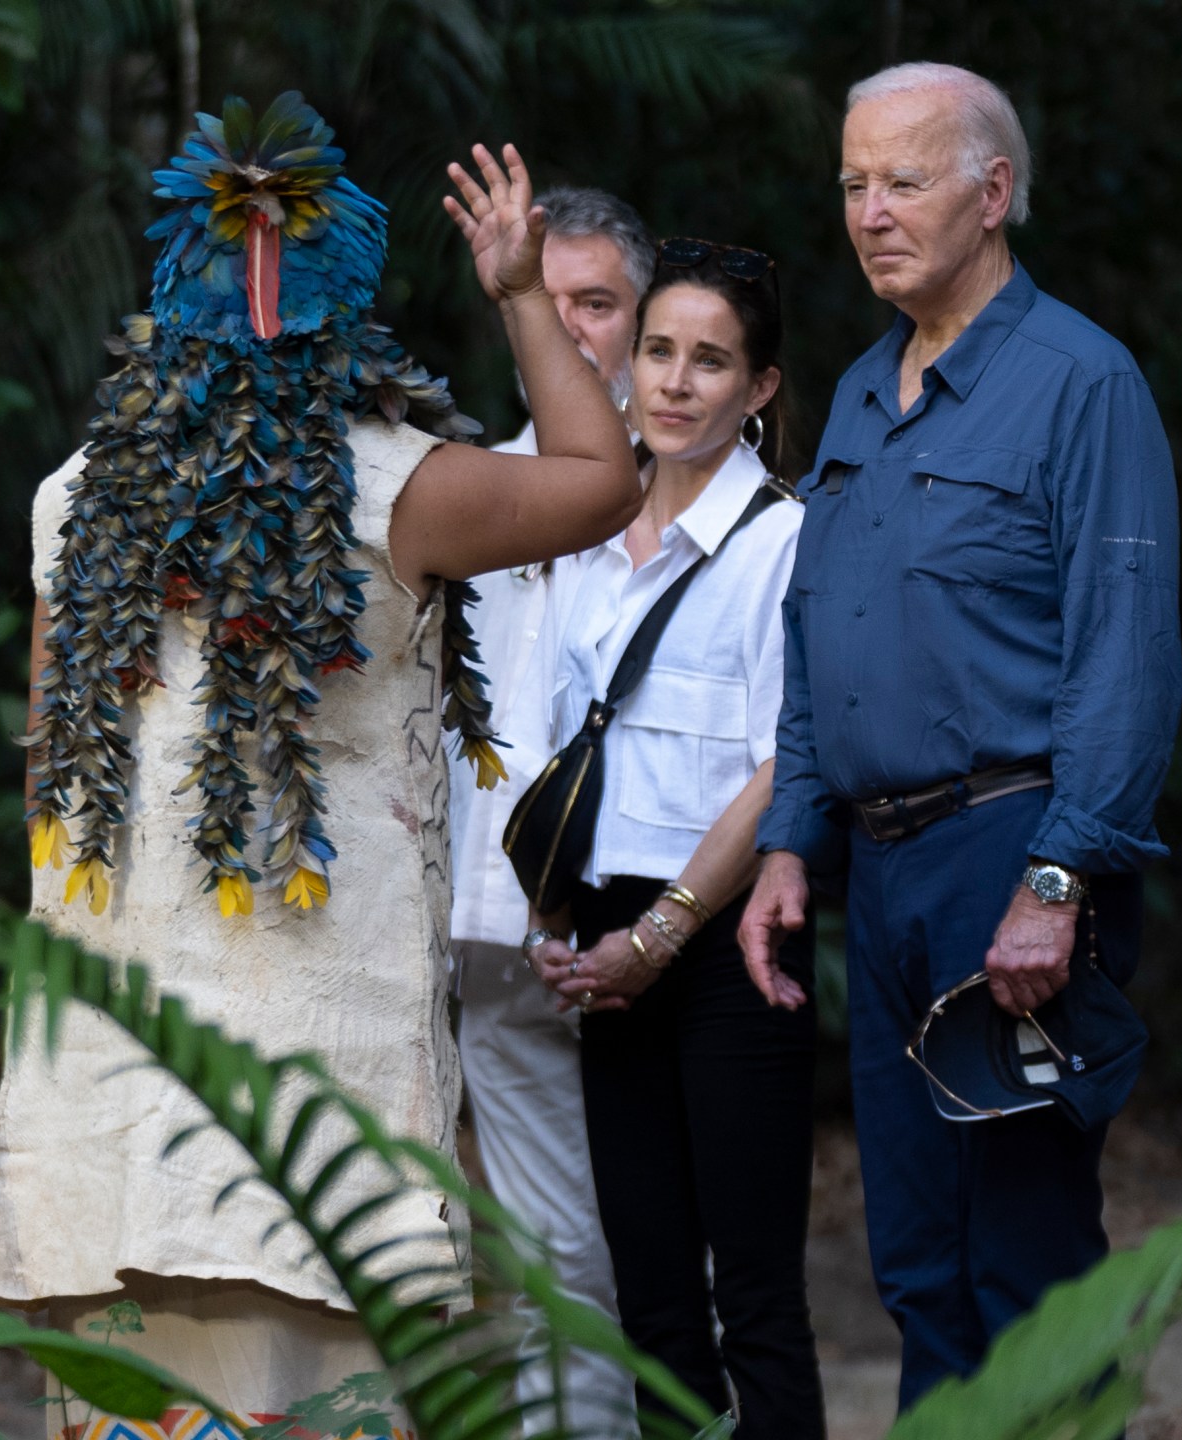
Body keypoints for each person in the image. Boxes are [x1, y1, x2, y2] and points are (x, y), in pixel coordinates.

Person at [0, 97, 641, 1436]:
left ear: (173, 297)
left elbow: (51, 772)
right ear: (344, 307)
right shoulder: (398, 484)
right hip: (317, 1074)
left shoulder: (77, 494)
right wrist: (519, 298)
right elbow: (601, 478)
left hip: (118, 1066)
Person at [738, 62, 1182, 1408]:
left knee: (1027, 1262)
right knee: (919, 1262)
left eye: (905, 181)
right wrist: (786, 841)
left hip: (1016, 853)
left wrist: (1061, 879)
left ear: (992, 196)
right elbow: (820, 639)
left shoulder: (1081, 382)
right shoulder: (867, 391)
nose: (871, 213)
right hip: (880, 878)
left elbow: (1126, 653)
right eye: (854, 185)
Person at [532, 238, 821, 1439]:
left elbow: (781, 762)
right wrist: (564, 925)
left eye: (712, 362)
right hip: (605, 942)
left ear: (758, 389)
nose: (675, 382)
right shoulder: (581, 536)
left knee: (752, 1294)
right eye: (658, 351)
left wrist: (659, 934)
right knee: (648, 1298)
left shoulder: (782, 540)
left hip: (725, 939)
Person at [447, 184, 652, 1440]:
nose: (575, 332)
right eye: (550, 298)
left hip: (644, 915)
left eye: (599, 303)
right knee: (534, 1254)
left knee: (638, 1249)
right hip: (484, 916)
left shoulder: (691, 483)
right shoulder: (467, 482)